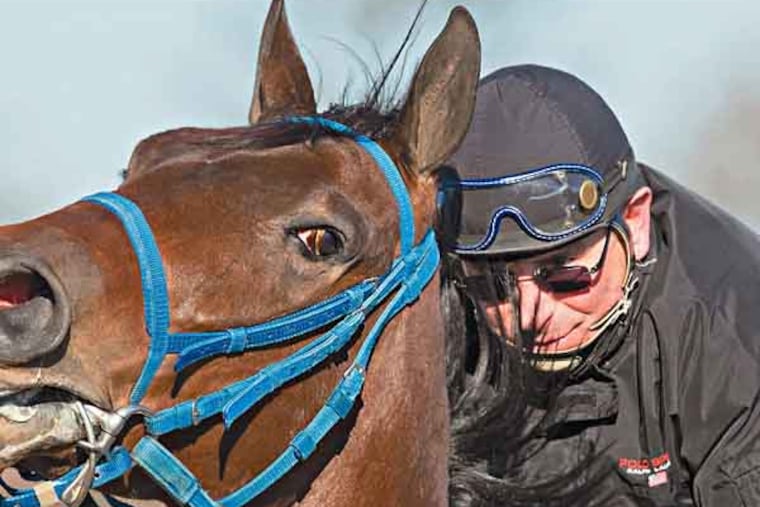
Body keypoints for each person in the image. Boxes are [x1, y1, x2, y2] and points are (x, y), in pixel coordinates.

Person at [440, 65, 760, 506]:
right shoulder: (440, 312)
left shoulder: (737, 345)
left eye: (567, 278)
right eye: (496, 288)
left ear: (635, 222)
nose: (531, 316)